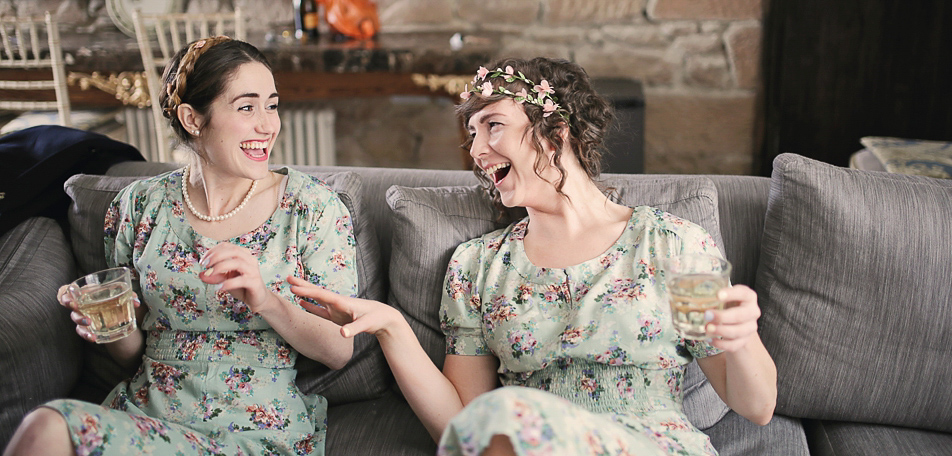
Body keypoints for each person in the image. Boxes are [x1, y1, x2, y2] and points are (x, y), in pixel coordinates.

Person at [289, 57, 777, 455]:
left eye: (493, 126)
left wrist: (741, 338)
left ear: (554, 132)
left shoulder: (673, 244)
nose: (477, 149)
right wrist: (390, 327)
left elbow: (756, 406)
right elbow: (465, 428)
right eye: (472, 132)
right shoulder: (477, 266)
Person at [3, 37, 357, 456]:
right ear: (192, 118)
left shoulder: (311, 208)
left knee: (46, 427)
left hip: (251, 429)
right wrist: (111, 325)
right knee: (47, 424)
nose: (268, 125)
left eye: (272, 105)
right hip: (146, 417)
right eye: (247, 107)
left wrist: (266, 299)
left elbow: (339, 349)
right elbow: (131, 356)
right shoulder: (139, 206)